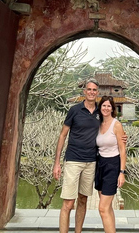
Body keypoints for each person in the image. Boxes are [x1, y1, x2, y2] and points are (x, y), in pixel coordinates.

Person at [53, 78, 101, 233]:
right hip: (73, 160)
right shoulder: (74, 110)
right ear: (84, 91)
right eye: (89, 89)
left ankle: (78, 232)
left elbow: (111, 129)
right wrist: (57, 163)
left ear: (97, 92)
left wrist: (122, 137)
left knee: (83, 200)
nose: (91, 92)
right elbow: (62, 135)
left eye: (94, 90)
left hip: (91, 161)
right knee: (68, 202)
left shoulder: (101, 111)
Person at [95, 95, 127, 233]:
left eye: (109, 106)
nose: (106, 108)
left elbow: (122, 149)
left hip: (113, 165)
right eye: (104, 105)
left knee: (102, 208)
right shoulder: (97, 124)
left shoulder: (117, 125)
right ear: (100, 107)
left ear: (113, 108)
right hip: (100, 164)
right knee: (107, 208)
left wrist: (122, 172)